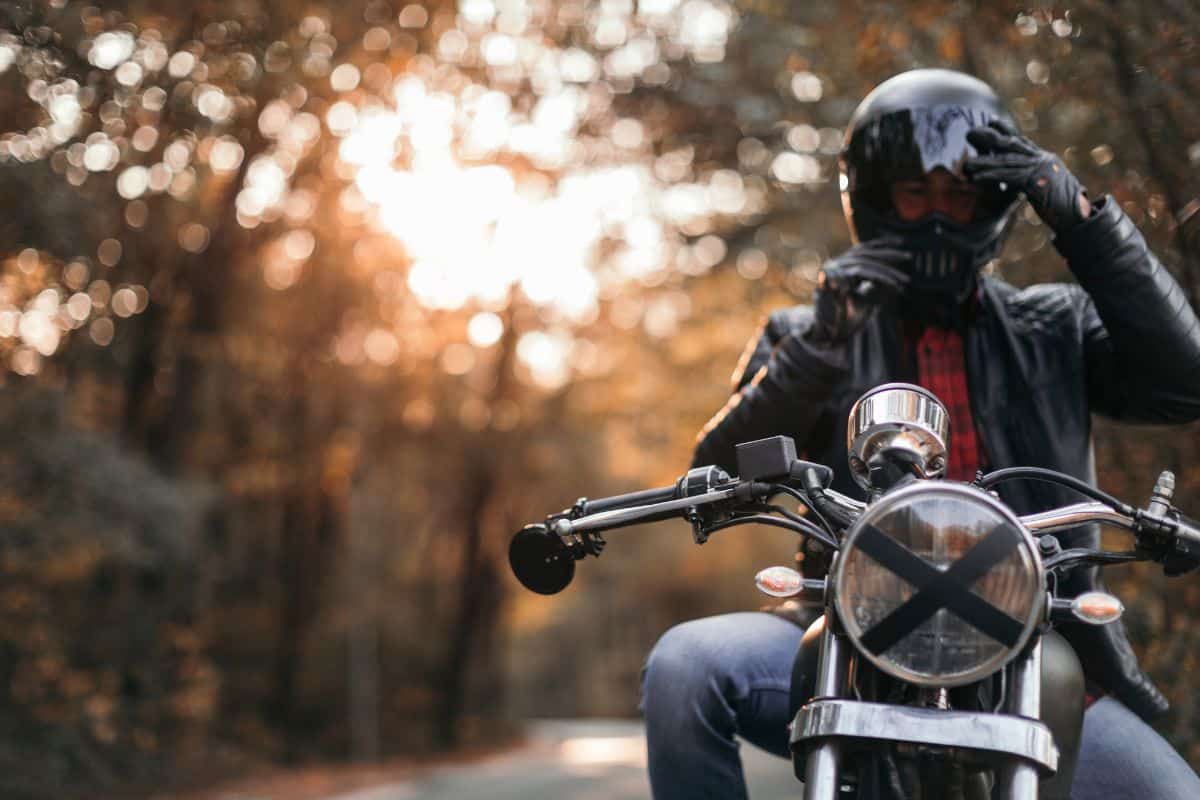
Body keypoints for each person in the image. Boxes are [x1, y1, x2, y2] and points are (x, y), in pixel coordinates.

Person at [640, 69, 1200, 799]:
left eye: (959, 196)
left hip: (1035, 643)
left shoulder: (1056, 326)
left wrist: (1082, 219)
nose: (938, 215)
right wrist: (819, 348)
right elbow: (715, 477)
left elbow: (1183, 384)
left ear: (993, 202)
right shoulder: (807, 335)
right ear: (877, 199)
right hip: (846, 634)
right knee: (685, 666)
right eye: (915, 193)